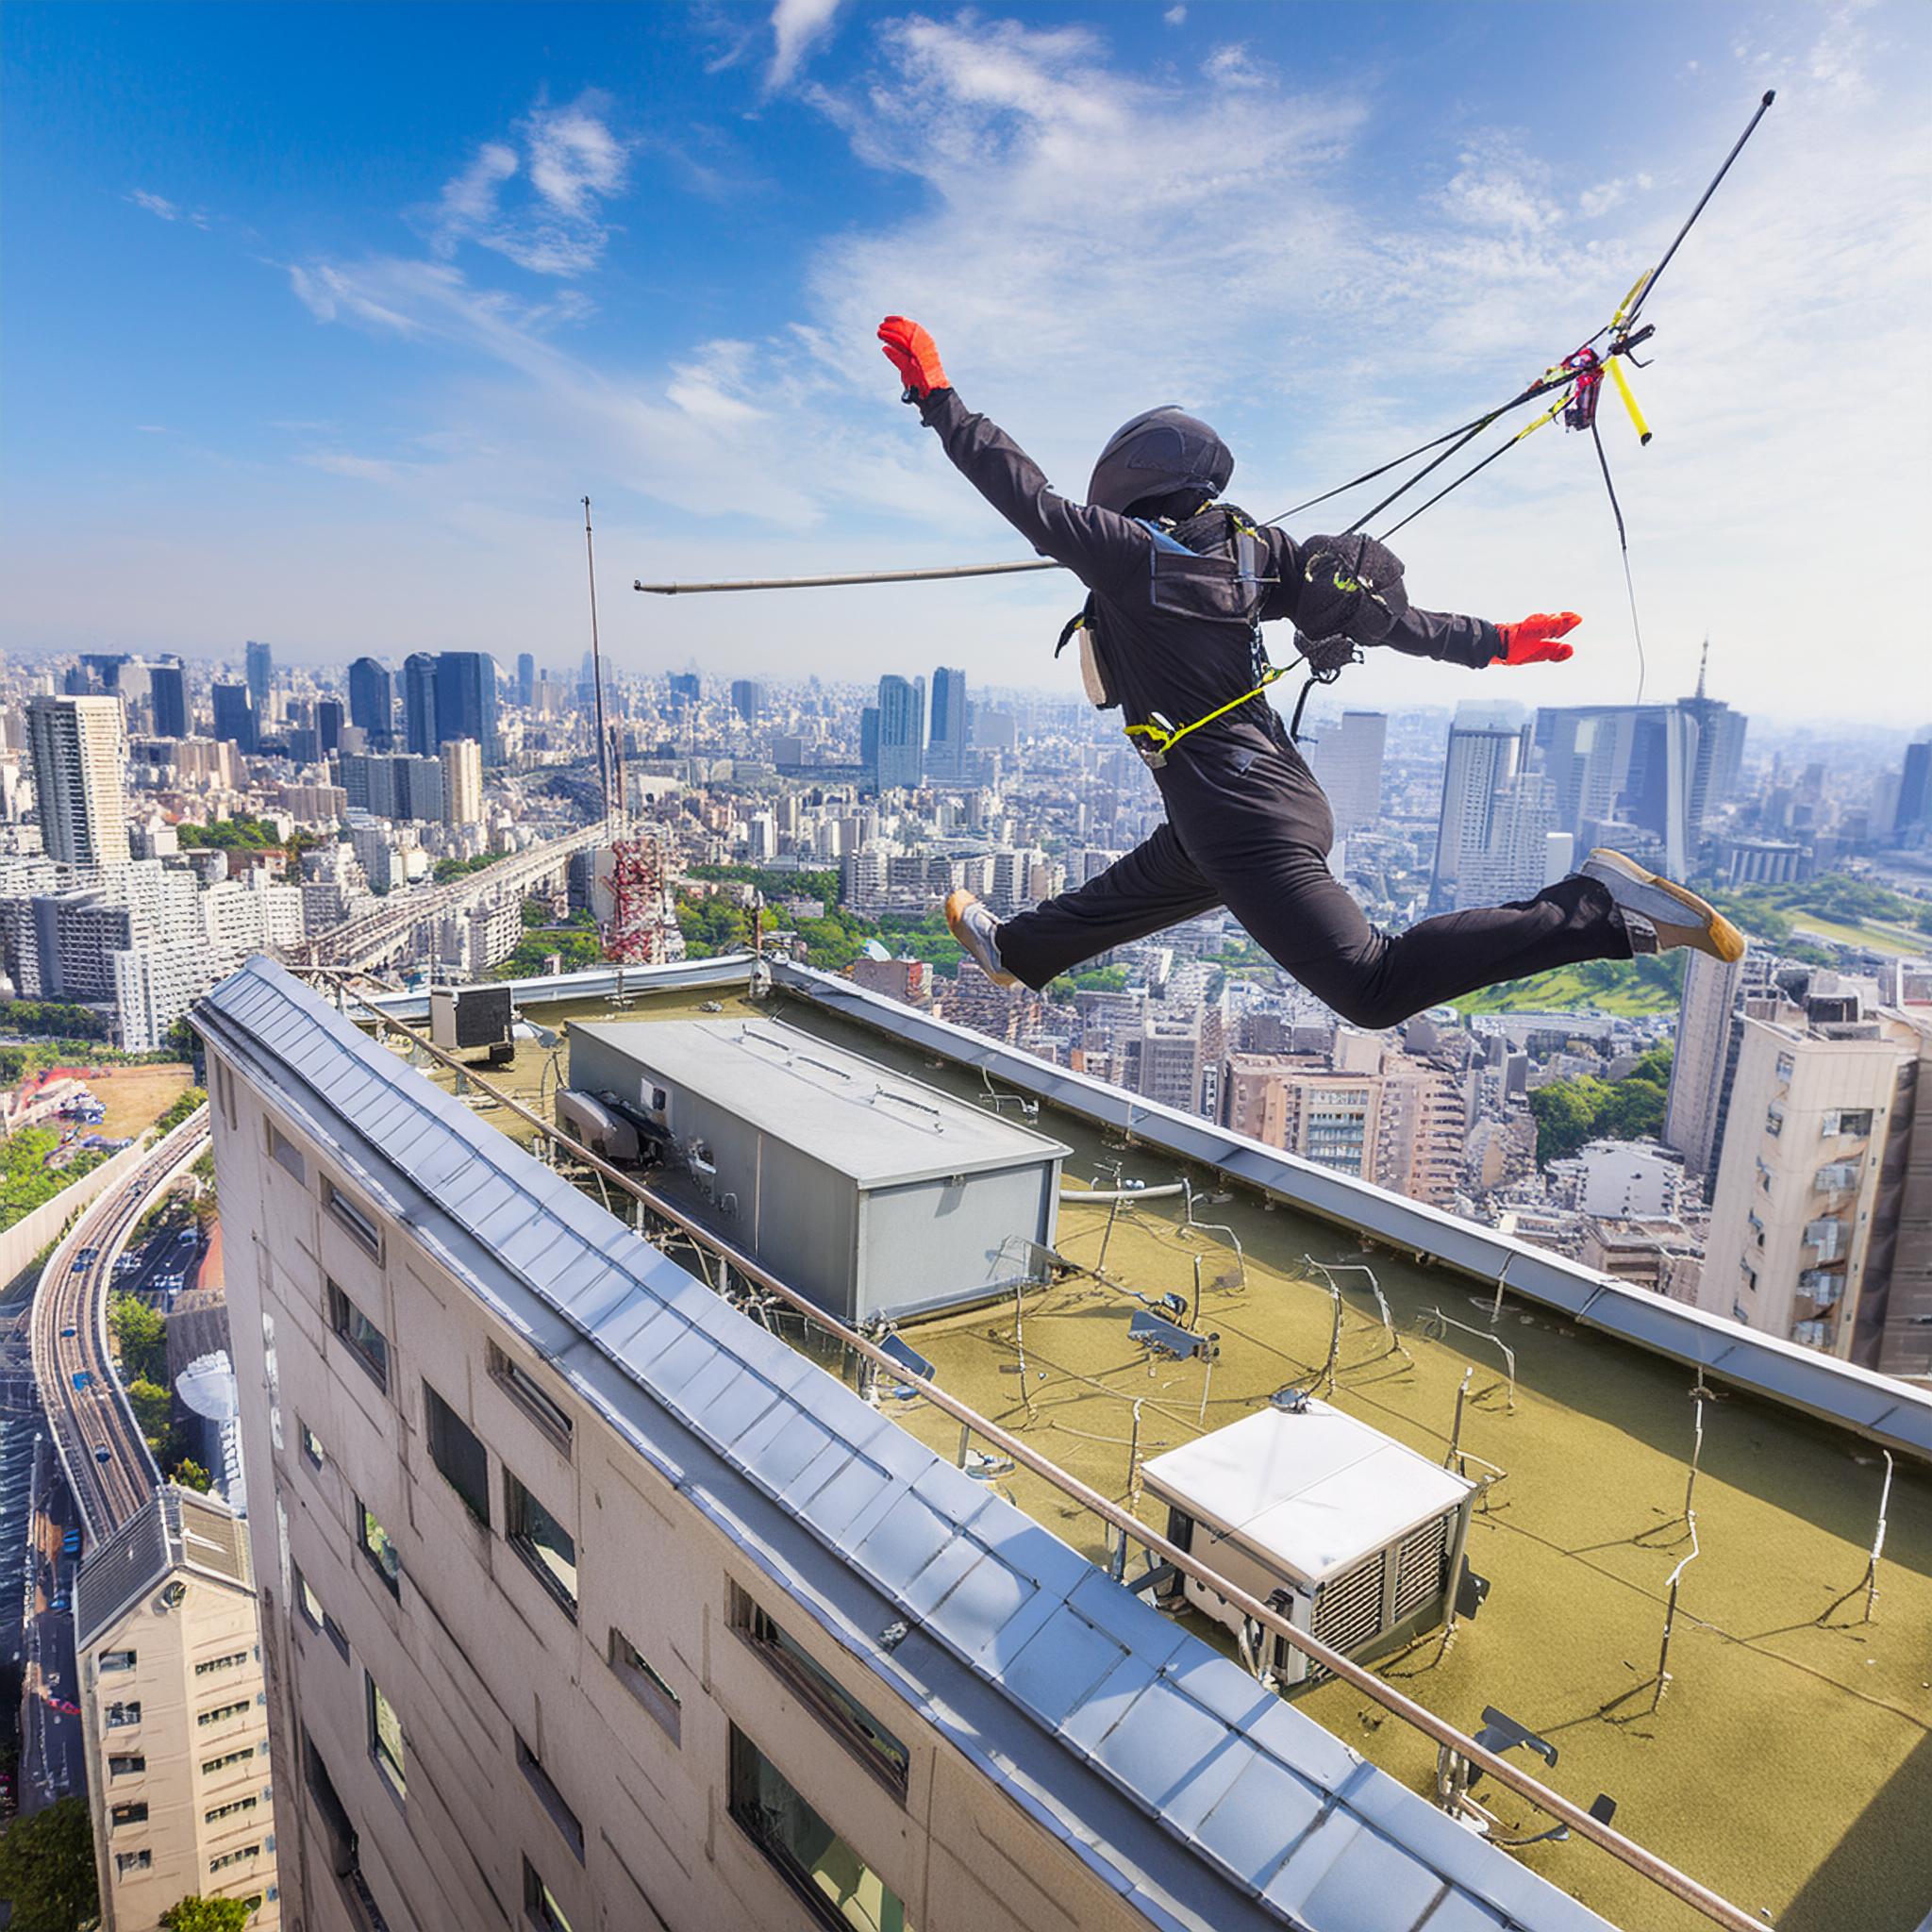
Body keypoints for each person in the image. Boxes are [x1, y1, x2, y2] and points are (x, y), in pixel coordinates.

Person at [876, 315, 1742, 1030]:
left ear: (1130, 482)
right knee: (1181, 866)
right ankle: (1019, 951)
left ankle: (1597, 907)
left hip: (1241, 814)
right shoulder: (1260, 549)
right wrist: (1497, 641)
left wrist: (938, 401)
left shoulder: (1130, 556)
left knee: (1372, 987)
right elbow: (1388, 618)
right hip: (1258, 795)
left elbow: (1022, 493)